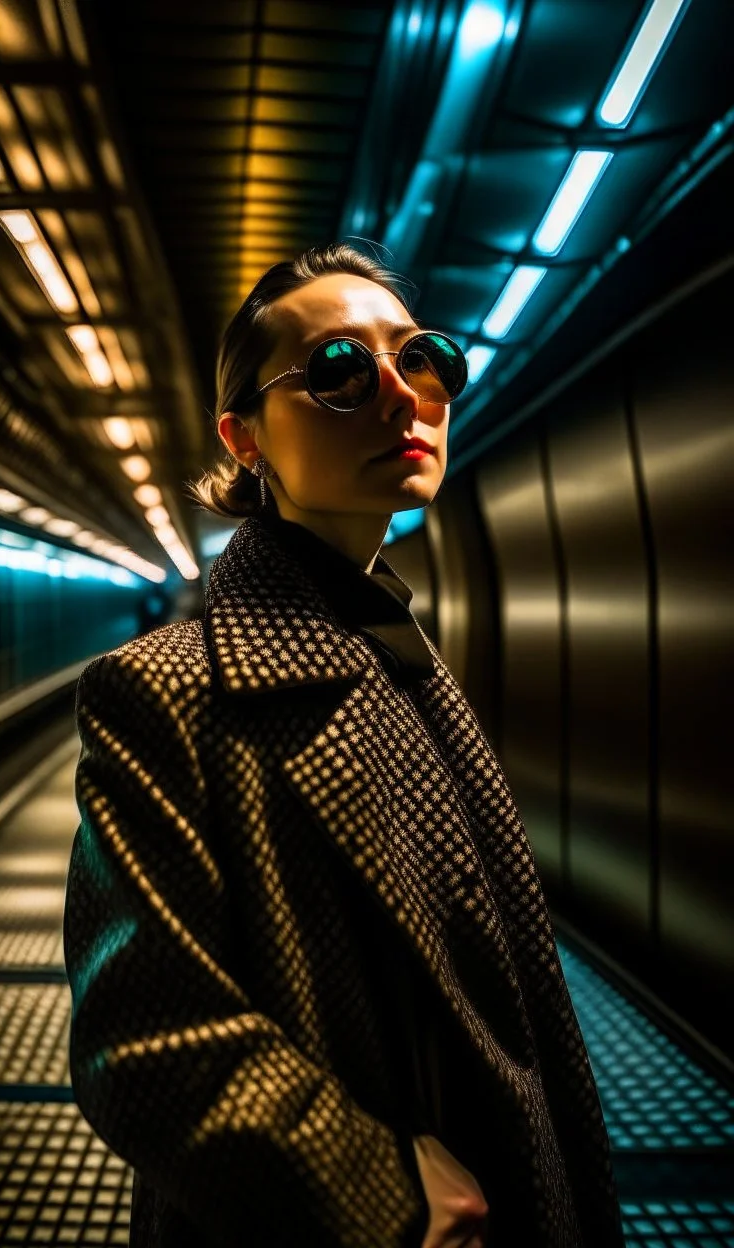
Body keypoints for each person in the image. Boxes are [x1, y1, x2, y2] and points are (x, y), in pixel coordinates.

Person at [62, 243, 626, 1247]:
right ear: (245, 439)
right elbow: (147, 1042)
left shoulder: (397, 649)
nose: (402, 397)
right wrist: (376, 1189)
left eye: (423, 359)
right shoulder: (168, 693)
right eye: (336, 372)